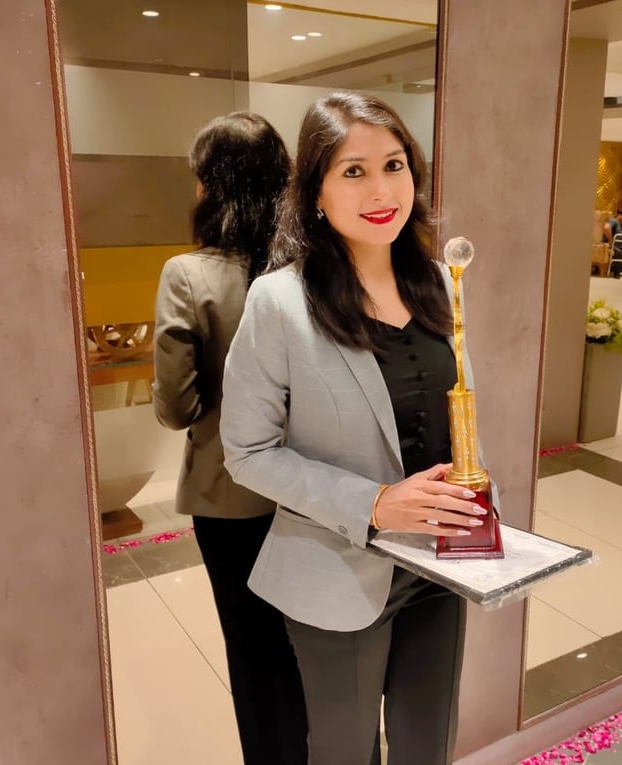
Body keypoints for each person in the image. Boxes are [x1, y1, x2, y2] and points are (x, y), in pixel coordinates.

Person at [220, 91, 496, 765]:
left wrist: (483, 511)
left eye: (394, 165)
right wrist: (374, 503)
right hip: (337, 566)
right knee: (345, 750)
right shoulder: (280, 301)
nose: (381, 190)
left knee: (427, 743)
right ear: (316, 192)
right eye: (353, 171)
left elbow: (458, 415)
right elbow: (247, 452)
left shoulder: (440, 282)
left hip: (440, 562)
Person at [152, 112, 307, 765]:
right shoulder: (312, 269)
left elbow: (176, 407)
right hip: (315, 492)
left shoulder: (187, 275)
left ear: (212, 185)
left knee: (254, 650)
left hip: (229, 496)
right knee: (319, 646)